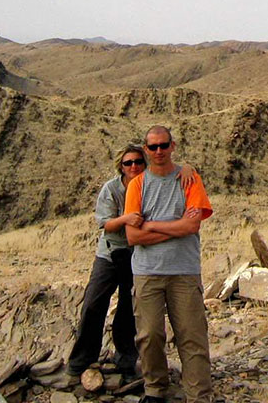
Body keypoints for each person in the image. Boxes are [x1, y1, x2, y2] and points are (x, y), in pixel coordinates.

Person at [66, 143, 194, 382]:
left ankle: (125, 361)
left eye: (138, 161)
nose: (133, 166)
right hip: (110, 254)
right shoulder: (112, 189)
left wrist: (188, 167)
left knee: (129, 310)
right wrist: (126, 218)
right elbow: (105, 224)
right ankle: (80, 361)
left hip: (139, 254)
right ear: (121, 166)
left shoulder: (150, 185)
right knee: (93, 303)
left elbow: (172, 173)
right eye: (128, 162)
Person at [125, 125, 213, 403]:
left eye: (164, 145)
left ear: (172, 146)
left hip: (184, 271)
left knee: (192, 336)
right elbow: (132, 236)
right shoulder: (137, 185)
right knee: (149, 335)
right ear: (146, 150)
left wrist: (152, 226)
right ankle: (155, 389)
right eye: (153, 147)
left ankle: (199, 395)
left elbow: (192, 225)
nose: (159, 151)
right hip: (147, 272)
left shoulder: (190, 179)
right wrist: (177, 227)